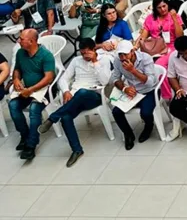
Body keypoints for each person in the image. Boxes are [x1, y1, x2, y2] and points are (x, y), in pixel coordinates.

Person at [37, 38, 110, 167]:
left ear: (94, 50)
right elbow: (63, 79)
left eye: (87, 53)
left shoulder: (104, 60)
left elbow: (105, 82)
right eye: (82, 53)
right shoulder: (76, 61)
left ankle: (53, 118)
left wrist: (95, 62)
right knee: (66, 117)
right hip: (76, 98)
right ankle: (77, 150)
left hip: (94, 96)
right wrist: (66, 91)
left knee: (82, 92)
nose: (84, 56)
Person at [8, 29, 56, 160]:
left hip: (43, 89)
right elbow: (17, 69)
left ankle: (31, 144)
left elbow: (49, 78)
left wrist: (31, 90)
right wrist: (16, 79)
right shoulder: (20, 53)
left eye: (21, 39)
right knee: (12, 105)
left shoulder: (46, 55)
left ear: (32, 41)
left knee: (34, 109)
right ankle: (25, 135)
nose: (19, 40)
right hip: (27, 88)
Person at [109, 40, 159, 149]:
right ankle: (128, 135)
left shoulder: (145, 58)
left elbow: (150, 81)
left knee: (146, 113)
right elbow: (114, 78)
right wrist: (124, 88)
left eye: (125, 54)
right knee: (116, 112)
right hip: (132, 91)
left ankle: (149, 126)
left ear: (132, 51)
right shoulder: (118, 61)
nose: (123, 57)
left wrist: (133, 70)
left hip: (148, 90)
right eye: (120, 54)